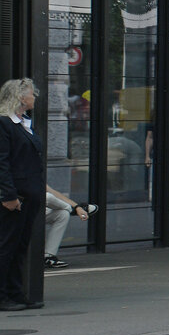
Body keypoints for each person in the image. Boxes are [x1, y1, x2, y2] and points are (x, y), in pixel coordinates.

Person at [0, 78, 46, 310]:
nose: (34, 97)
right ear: (20, 97)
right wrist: (8, 195)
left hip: (30, 195)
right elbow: (2, 162)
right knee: (6, 246)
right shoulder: (4, 123)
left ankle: (16, 293)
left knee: (19, 246)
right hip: (15, 197)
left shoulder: (24, 123)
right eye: (31, 93)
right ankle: (2, 296)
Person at [44, 186, 98, 269]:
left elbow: (53, 192)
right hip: (23, 214)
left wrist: (77, 207)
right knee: (46, 197)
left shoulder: (34, 178)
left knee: (63, 214)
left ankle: (48, 256)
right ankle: (72, 210)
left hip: (34, 212)